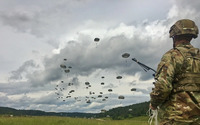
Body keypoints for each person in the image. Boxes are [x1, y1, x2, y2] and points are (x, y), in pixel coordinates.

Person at [150, 19, 200, 125]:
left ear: (174, 37)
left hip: (174, 118)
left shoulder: (172, 56)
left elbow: (163, 86)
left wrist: (154, 103)